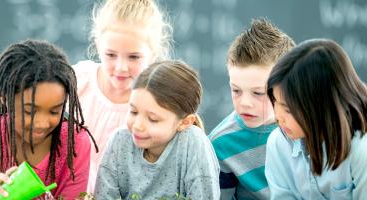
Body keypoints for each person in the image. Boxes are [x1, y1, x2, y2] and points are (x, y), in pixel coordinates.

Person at [0, 39, 97, 199]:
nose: (42, 123)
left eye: (55, 111)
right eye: (29, 111)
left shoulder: (75, 143)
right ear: (4, 99)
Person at [73, 0, 173, 192]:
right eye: (110, 55)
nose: (121, 67)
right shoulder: (76, 82)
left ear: (153, 55)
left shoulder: (159, 106)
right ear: (97, 45)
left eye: (134, 57)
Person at [94, 60, 220, 199]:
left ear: (184, 122)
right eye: (133, 111)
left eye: (153, 119)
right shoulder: (119, 141)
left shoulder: (194, 143)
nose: (137, 125)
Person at [266, 39, 367, 199]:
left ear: (321, 106)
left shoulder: (362, 148)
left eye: (288, 109)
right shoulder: (278, 143)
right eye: (275, 102)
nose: (278, 117)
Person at [208, 18, 295, 199]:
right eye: (236, 90)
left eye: (258, 93)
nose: (245, 103)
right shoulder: (220, 144)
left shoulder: (308, 130)